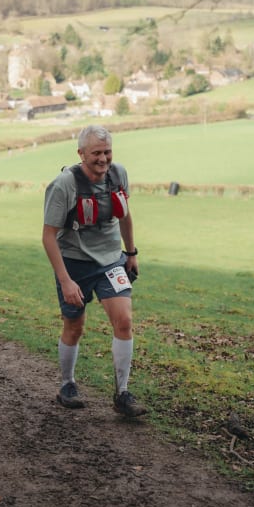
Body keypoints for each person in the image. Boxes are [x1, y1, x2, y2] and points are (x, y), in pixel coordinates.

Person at [42, 125, 146, 417]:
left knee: (124, 321)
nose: (103, 159)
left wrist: (131, 252)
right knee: (74, 327)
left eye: (107, 152)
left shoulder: (118, 174)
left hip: (111, 260)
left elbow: (125, 216)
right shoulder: (64, 185)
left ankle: (122, 393)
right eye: (96, 153)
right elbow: (48, 236)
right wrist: (65, 281)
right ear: (81, 154)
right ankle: (67, 385)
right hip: (74, 263)